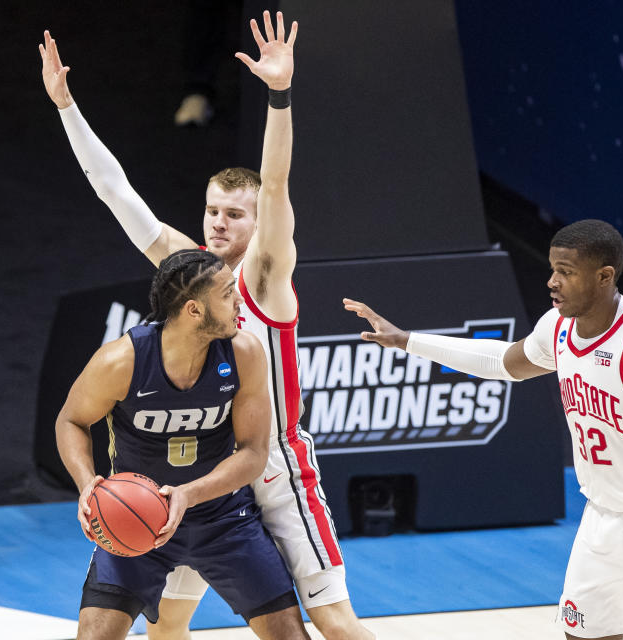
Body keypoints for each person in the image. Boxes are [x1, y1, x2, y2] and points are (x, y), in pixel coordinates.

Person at [40, 14, 373, 640]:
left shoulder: (266, 274)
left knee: (330, 619)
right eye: (212, 211)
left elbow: (275, 182)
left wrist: (279, 95)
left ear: (257, 222)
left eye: (234, 214)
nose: (220, 223)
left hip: (274, 462)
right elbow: (118, 194)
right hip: (210, 471)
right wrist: (66, 107)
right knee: (166, 629)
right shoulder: (192, 274)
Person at [344, 219, 623, 640]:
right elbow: (501, 362)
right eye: (552, 269)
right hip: (604, 518)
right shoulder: (558, 328)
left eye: (565, 271)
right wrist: (408, 340)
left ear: (604, 277)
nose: (551, 282)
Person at [56, 249, 310, 640]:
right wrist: (86, 482)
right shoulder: (121, 361)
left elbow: (253, 453)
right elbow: (71, 420)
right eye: (227, 293)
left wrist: (187, 495)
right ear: (194, 310)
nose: (239, 299)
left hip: (224, 520)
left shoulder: (243, 353)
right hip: (136, 517)